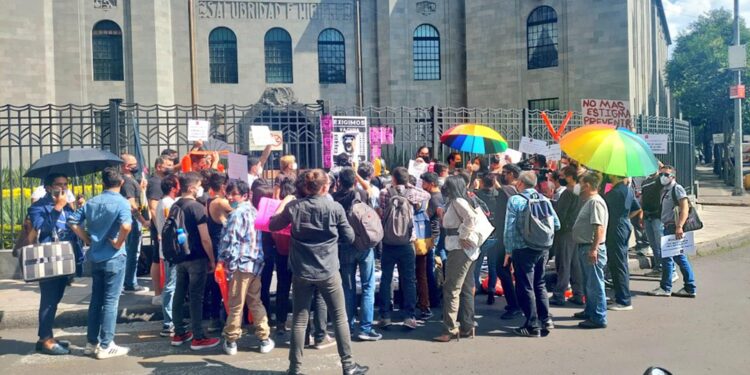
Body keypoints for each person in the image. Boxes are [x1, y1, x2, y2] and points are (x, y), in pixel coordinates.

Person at [269, 169, 369, 375]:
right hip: (328, 270)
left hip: (301, 270)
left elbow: (273, 224)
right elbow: (349, 237)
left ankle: (295, 368)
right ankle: (348, 365)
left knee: (299, 319)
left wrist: (282, 203)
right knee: (339, 316)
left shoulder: (294, 207)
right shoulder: (334, 208)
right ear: (325, 187)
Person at [68, 167, 132, 359]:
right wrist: (119, 242)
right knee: (111, 301)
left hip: (96, 256)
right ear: (121, 183)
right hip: (114, 256)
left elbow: (72, 221)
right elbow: (127, 226)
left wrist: (87, 238)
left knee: (96, 301)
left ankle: (91, 342)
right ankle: (106, 344)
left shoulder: (92, 202)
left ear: (103, 183)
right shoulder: (122, 202)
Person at [218, 179, 275, 355]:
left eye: (233, 193)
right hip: (255, 264)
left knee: (236, 304)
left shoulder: (236, 214)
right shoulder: (254, 211)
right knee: (255, 302)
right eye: (228, 193)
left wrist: (223, 261)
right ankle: (264, 338)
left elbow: (229, 241)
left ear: (244, 195)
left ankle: (231, 339)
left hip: (240, 265)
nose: (230, 197)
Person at [28, 173, 82, 355]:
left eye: (65, 184)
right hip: (49, 259)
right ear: (49, 187)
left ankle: (47, 335)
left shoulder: (67, 205)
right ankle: (45, 339)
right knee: (48, 300)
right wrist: (57, 207)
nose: (63, 188)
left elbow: (72, 227)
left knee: (56, 299)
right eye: (59, 184)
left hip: (65, 258)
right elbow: (42, 230)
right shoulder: (38, 207)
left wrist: (77, 210)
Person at [169, 172, 220, 350]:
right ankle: (198, 336)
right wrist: (212, 259)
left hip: (180, 256)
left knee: (179, 293)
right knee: (196, 297)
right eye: (199, 185)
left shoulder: (176, 205)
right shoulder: (196, 207)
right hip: (196, 257)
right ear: (192, 188)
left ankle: (179, 332)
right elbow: (205, 238)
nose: (201, 189)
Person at [504, 171, 559, 337]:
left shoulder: (516, 200)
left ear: (520, 183)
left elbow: (509, 229)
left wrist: (508, 250)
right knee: (539, 283)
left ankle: (532, 325)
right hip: (542, 248)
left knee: (525, 285)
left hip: (523, 248)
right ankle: (546, 319)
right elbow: (556, 224)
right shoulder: (543, 199)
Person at [377, 167, 430, 329]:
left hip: (388, 242)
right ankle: (409, 316)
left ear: (393, 179)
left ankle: (385, 316)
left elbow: (381, 211)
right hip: (407, 242)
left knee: (386, 279)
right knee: (408, 279)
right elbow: (427, 195)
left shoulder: (384, 193)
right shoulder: (413, 194)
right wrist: (410, 186)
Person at [333, 168, 382, 341]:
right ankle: (365, 327)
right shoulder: (361, 194)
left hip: (345, 245)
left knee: (348, 286)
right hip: (364, 244)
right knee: (368, 286)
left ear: (339, 182)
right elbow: (370, 191)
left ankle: (348, 324)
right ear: (354, 181)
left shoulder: (334, 199)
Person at [433, 175, 480, 342]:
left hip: (459, 248)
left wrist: (463, 235)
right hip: (467, 249)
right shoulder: (460, 200)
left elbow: (471, 218)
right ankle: (467, 325)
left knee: (452, 288)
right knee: (466, 288)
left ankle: (450, 328)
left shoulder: (458, 201)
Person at [648, 165, 697, 298]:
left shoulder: (677, 189)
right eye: (661, 174)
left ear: (673, 177)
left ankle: (667, 287)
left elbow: (684, 209)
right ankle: (689, 287)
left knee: (671, 258)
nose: (663, 177)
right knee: (677, 258)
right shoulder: (664, 189)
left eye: (666, 175)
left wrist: (679, 226)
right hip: (668, 226)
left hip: (673, 228)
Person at [571, 171, 609, 329]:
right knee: (589, 282)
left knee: (595, 283)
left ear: (586, 185)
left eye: (580, 183)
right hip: (584, 246)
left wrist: (594, 249)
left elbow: (598, 228)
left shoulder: (595, 202)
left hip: (591, 248)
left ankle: (598, 317)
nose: (577, 186)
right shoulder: (589, 201)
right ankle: (590, 310)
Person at [603, 174, 641, 311]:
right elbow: (636, 208)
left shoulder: (615, 192)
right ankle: (620, 296)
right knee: (619, 262)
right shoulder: (627, 190)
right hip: (623, 224)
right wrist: (625, 217)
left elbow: (603, 205)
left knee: (618, 263)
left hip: (616, 227)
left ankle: (624, 300)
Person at [549, 166, 584, 306]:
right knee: (575, 264)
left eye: (563, 175)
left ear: (569, 177)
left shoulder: (568, 193)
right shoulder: (579, 191)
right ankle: (578, 293)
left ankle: (559, 294)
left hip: (565, 231)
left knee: (563, 263)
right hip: (576, 231)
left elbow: (560, 214)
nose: (561, 178)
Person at [493, 164, 523, 318]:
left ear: (512, 174)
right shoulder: (516, 190)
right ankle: (518, 303)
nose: (502, 175)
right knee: (513, 271)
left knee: (502, 269)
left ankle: (514, 304)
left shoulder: (509, 191)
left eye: (504, 173)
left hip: (507, 237)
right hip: (513, 236)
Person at [154, 174, 180, 338]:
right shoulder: (168, 204)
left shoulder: (163, 203)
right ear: (173, 188)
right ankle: (168, 322)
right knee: (170, 285)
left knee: (172, 285)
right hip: (171, 250)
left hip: (167, 249)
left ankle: (170, 321)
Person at [120, 153, 149, 293]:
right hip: (132, 221)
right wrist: (143, 221)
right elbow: (131, 205)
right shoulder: (127, 182)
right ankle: (130, 283)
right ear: (126, 166)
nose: (136, 167)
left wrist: (142, 188)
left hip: (132, 220)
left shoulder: (131, 180)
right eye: (133, 165)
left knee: (132, 251)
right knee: (132, 252)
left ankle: (129, 281)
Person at [206, 171, 231, 332]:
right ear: (223, 187)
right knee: (222, 281)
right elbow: (238, 212)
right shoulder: (221, 202)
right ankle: (220, 317)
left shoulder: (209, 201)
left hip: (216, 244)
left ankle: (215, 317)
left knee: (216, 282)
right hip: (220, 245)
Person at [146, 156, 174, 305]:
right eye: (168, 165)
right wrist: (159, 230)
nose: (171, 167)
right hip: (160, 229)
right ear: (158, 167)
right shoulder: (156, 183)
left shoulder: (159, 181)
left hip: (162, 229)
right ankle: (157, 293)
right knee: (157, 259)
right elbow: (153, 207)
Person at [472, 174, 500, 298]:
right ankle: (492, 288)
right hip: (495, 231)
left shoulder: (477, 195)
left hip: (482, 232)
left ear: (482, 182)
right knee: (492, 264)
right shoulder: (498, 194)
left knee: (478, 262)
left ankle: (476, 286)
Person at [420, 172, 443, 309]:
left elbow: (427, 216)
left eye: (424, 183)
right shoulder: (440, 196)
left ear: (431, 184)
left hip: (432, 236)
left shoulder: (433, 199)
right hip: (437, 234)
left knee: (429, 268)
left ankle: (434, 298)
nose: (422, 186)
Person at [640, 166, 668, 278]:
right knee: (653, 244)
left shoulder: (660, 180)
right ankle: (658, 267)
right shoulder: (645, 182)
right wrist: (641, 215)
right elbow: (642, 199)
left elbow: (665, 173)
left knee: (660, 243)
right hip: (647, 216)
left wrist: (661, 169)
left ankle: (666, 269)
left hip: (657, 216)